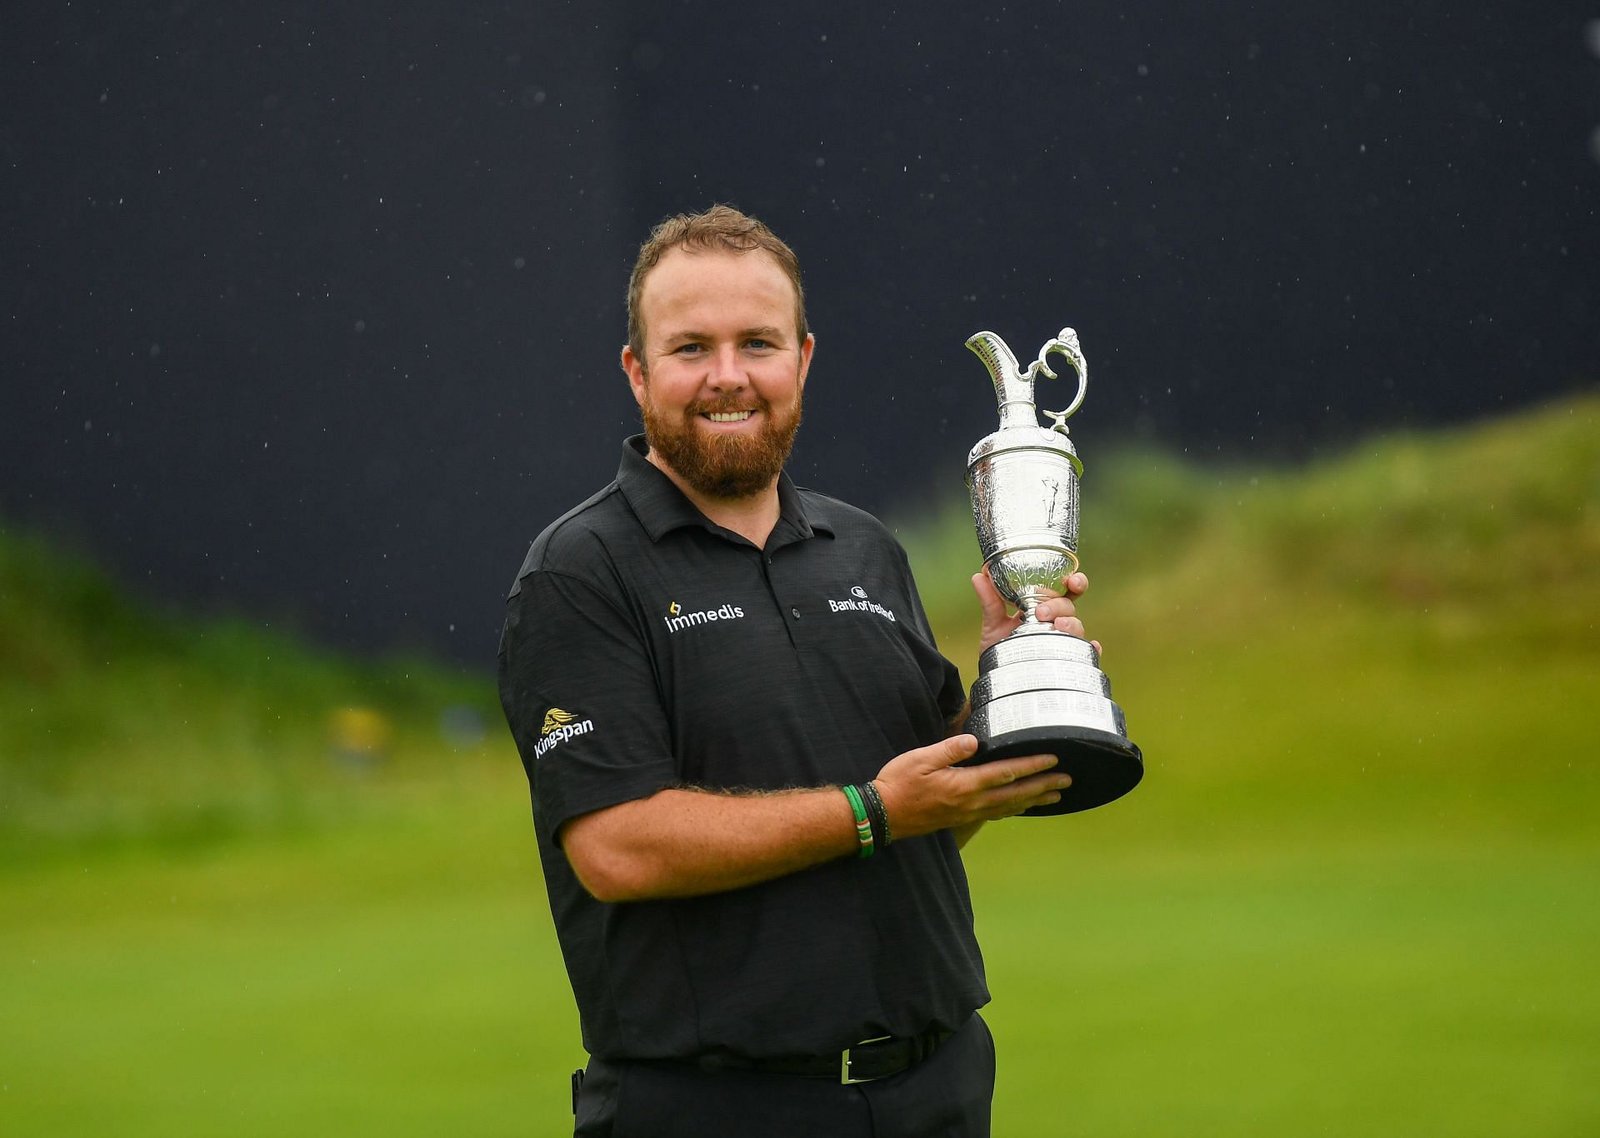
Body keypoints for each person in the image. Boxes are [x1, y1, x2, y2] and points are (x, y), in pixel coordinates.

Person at [497, 205, 1096, 1138]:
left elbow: (926, 816)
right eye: (691, 346)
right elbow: (616, 847)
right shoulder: (581, 571)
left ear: (803, 360)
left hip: (934, 1089)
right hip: (719, 1108)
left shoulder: (863, 548)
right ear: (637, 370)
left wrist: (1009, 681)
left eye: (758, 344)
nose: (728, 376)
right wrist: (875, 812)